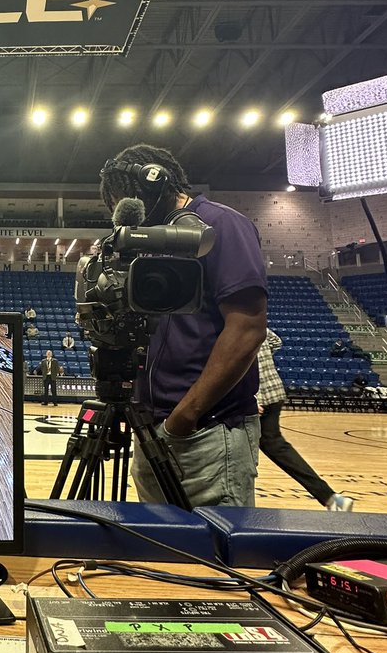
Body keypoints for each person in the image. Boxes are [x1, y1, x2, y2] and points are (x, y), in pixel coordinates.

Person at [99, 144, 267, 508]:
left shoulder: (221, 225)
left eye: (122, 200)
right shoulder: (152, 240)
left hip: (205, 431)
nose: (122, 214)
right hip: (153, 430)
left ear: (153, 184)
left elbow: (248, 327)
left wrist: (184, 417)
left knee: (216, 560)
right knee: (158, 554)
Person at [257, 330, 354, 511]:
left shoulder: (230, 323)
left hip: (257, 397)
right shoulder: (255, 320)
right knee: (276, 446)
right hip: (274, 391)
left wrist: (252, 396)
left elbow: (242, 362)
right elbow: (275, 341)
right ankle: (330, 498)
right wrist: (265, 361)